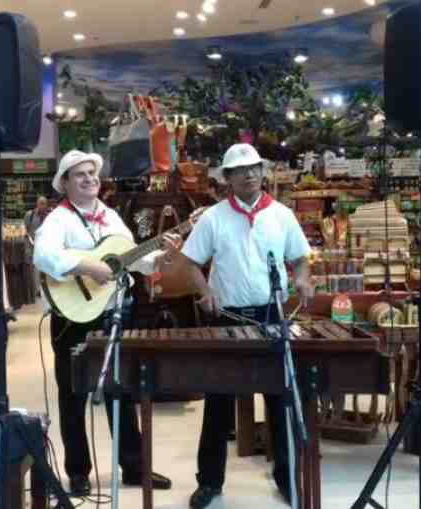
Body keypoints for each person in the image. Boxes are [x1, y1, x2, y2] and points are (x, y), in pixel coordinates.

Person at [176, 143, 314, 508]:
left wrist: (302, 279)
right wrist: (204, 291)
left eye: (254, 168)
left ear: (261, 171)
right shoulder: (213, 218)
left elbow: (300, 258)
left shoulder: (282, 215)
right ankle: (209, 483)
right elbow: (190, 262)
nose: (249, 174)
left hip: (272, 316)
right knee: (218, 404)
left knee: (280, 400)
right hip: (228, 319)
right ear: (227, 179)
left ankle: (287, 477)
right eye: (240, 170)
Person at [34, 150, 177, 496]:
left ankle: (133, 467)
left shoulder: (111, 217)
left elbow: (133, 258)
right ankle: (78, 471)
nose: (89, 179)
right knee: (72, 395)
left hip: (113, 311)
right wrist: (88, 267)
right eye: (79, 174)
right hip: (72, 316)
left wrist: (163, 254)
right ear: (65, 183)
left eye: (92, 173)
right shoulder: (58, 220)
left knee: (121, 390)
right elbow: (44, 255)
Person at [24, 196, 50, 294]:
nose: (42, 206)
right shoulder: (29, 215)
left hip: (45, 247)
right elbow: (26, 231)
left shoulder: (49, 216)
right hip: (33, 246)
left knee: (45, 269)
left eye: (44, 204)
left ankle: (44, 289)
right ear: (37, 204)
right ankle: (37, 290)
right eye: (41, 203)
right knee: (35, 269)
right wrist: (28, 247)